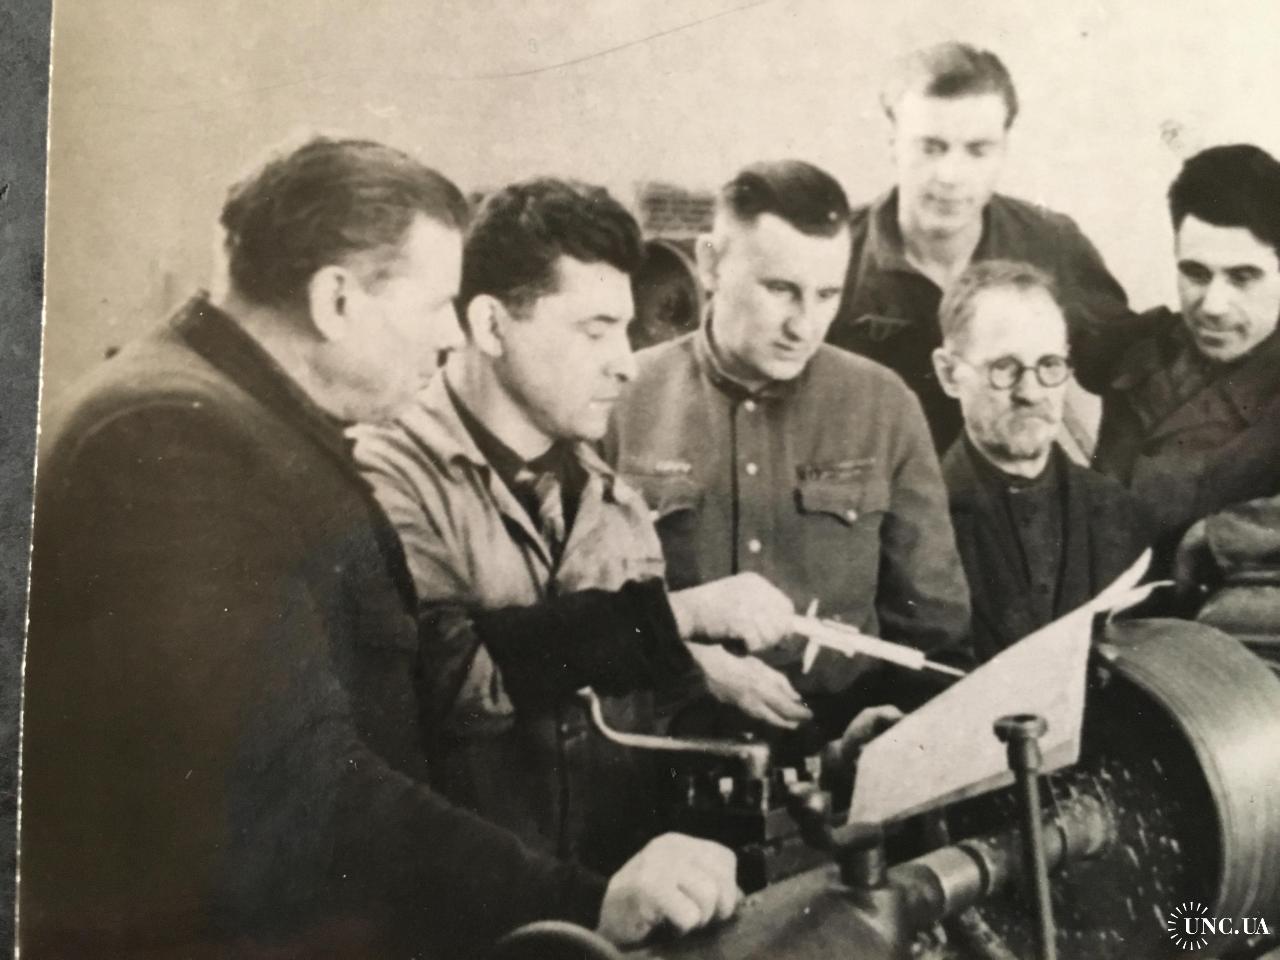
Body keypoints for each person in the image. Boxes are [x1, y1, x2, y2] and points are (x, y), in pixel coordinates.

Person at [20, 138, 740, 959]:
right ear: (336, 300)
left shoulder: (231, 419)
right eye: (436, 306)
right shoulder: (173, 438)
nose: (450, 336)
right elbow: (294, 784)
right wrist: (578, 902)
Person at [354, 177, 809, 872]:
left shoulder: (612, 503)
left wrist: (821, 757)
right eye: (595, 331)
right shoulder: (386, 479)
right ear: (491, 326)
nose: (626, 364)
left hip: (605, 910)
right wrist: (680, 615)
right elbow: (457, 681)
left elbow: (649, 717)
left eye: (624, 330)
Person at [607, 159, 970, 731]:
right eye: (780, 289)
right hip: (664, 753)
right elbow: (578, 621)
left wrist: (892, 739)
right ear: (711, 263)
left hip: (842, 746)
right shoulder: (619, 398)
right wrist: (690, 662)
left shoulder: (885, 405)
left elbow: (934, 635)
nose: (805, 325)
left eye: (827, 294)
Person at [826, 41, 1130, 454]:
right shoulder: (833, 252)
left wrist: (1115, 475)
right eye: (930, 147)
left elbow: (1129, 368)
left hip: (1009, 489)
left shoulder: (1050, 243)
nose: (950, 175)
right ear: (892, 145)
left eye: (977, 150)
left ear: (1003, 151)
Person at [931, 260, 1147, 662]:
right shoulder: (917, 522)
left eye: (1049, 365)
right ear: (948, 374)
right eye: (1004, 368)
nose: (1030, 393)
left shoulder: (1118, 510)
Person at [1092, 144, 1280, 569]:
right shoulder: (1143, 347)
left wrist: (1211, 539)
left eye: (1242, 277)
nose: (1213, 305)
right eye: (1195, 273)